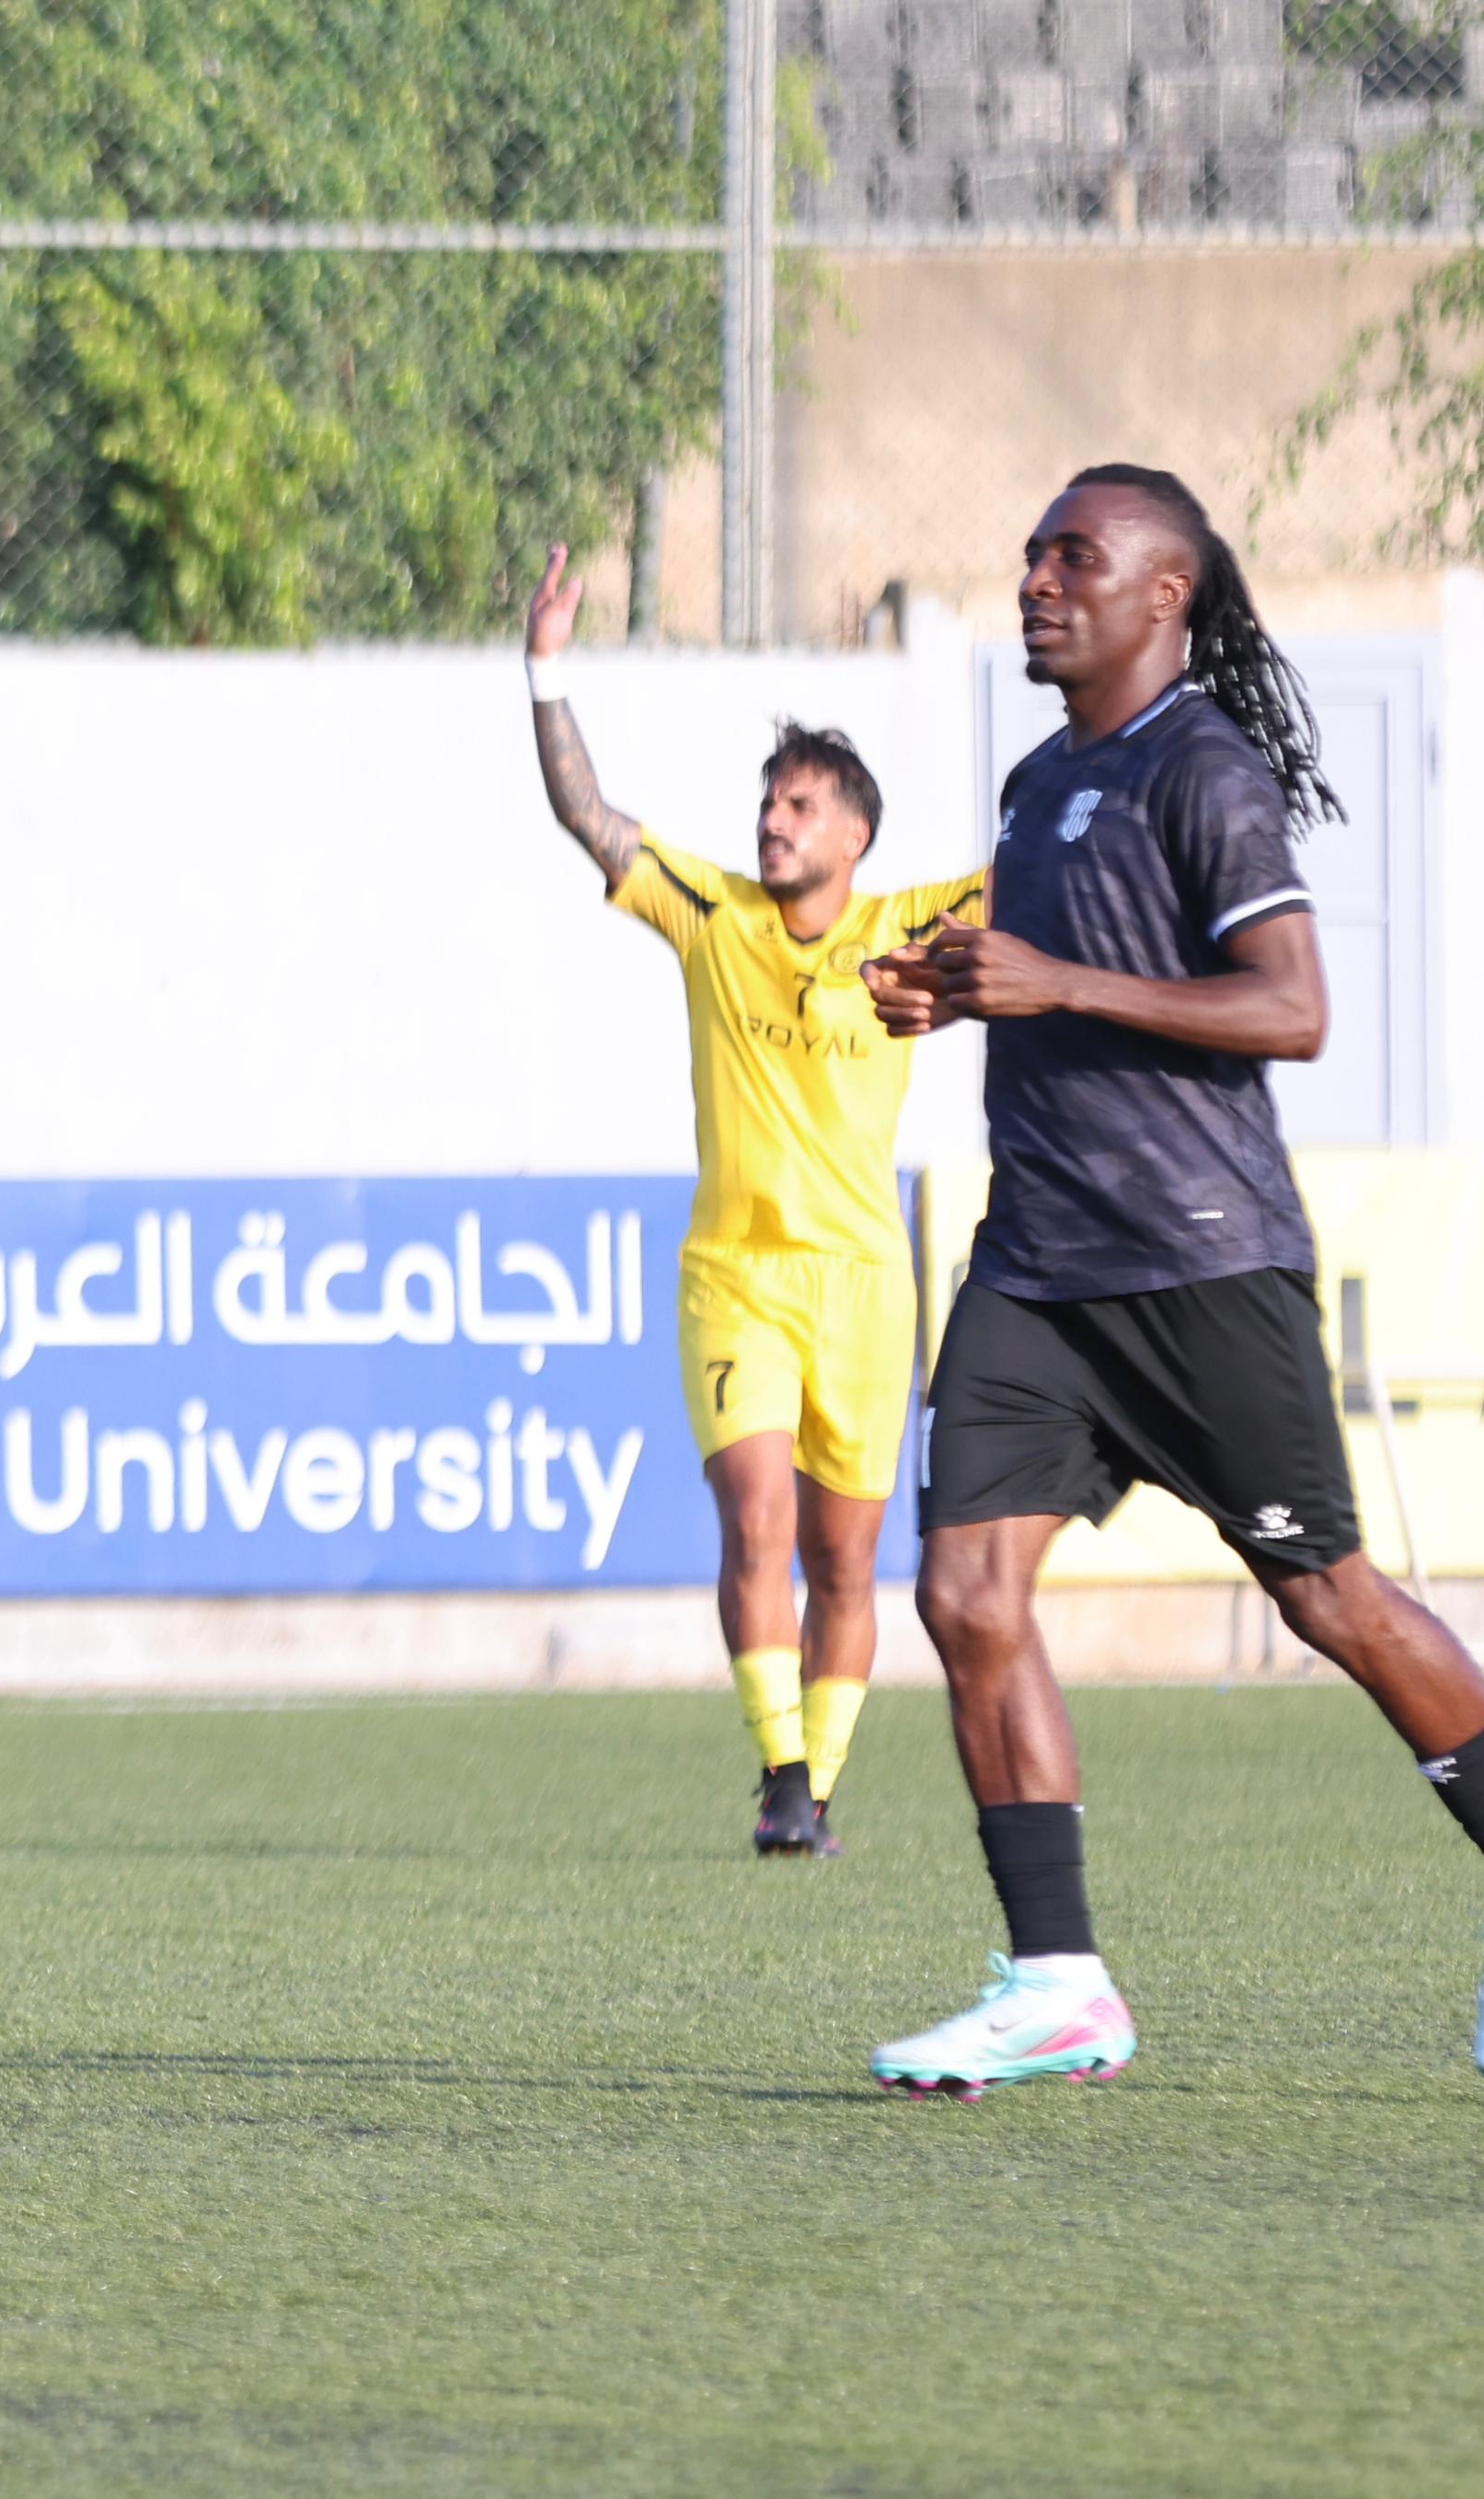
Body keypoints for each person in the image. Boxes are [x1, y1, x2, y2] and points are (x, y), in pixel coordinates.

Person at [860, 463, 1484, 2094]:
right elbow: (1073, 990)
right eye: (1035, 547)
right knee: (964, 1595)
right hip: (1038, 1268)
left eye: (1077, 555)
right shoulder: (1040, 778)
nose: (1037, 575)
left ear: (1163, 596)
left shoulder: (1207, 771)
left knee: (1325, 1595)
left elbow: (1290, 1011)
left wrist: (1053, 979)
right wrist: (966, 996)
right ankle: (1058, 1983)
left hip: (1202, 1267)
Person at [521, 545, 980, 1858]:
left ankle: (820, 1782)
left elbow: (1049, 880)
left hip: (866, 1294)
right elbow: (586, 813)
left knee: (846, 1562)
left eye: (798, 806)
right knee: (759, 1523)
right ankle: (779, 1767)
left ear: (855, 836)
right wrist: (546, 666)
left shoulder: (907, 924)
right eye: (768, 801)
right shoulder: (710, 913)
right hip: (737, 1280)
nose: (771, 822)